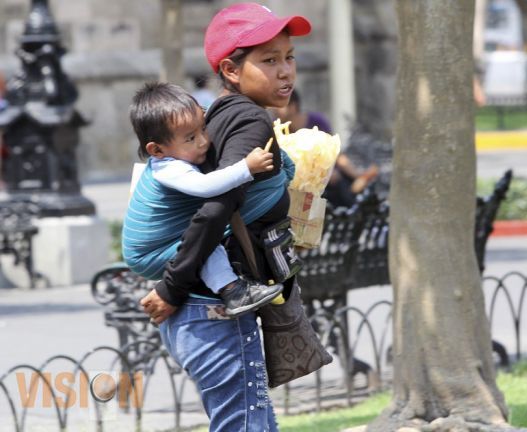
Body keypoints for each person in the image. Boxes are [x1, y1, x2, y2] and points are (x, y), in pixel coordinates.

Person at [138, 3, 312, 431]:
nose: (285, 71)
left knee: (252, 421)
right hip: (211, 307)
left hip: (202, 307)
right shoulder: (250, 121)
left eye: (289, 57)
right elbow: (216, 205)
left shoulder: (219, 115)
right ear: (232, 70)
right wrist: (171, 288)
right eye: (269, 60)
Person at [123, 81, 283, 316]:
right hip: (148, 254)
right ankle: (233, 291)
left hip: (155, 246)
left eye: (203, 129)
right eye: (190, 138)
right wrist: (247, 168)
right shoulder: (169, 169)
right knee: (206, 241)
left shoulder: (173, 157)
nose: (204, 142)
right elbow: (208, 187)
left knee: (204, 237)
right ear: (156, 150)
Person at [272, 90, 378, 208]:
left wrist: (356, 175)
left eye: (279, 105)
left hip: (329, 177)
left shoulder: (316, 121)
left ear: (293, 106)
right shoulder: (277, 130)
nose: (275, 109)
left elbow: (335, 154)